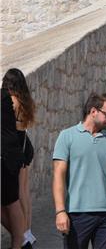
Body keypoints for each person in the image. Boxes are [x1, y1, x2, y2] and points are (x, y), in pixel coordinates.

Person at [52, 93, 106, 248]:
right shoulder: (67, 136)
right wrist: (60, 212)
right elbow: (58, 175)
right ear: (93, 111)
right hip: (77, 213)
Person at [2, 69, 36, 249]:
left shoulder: (11, 102)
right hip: (23, 147)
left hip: (15, 151)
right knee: (23, 192)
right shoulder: (24, 101)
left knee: (18, 196)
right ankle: (26, 232)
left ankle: (23, 235)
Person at [1, 87, 25, 249]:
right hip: (7, 155)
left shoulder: (5, 98)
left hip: (6, 158)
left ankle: (19, 242)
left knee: (12, 201)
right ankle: (22, 239)